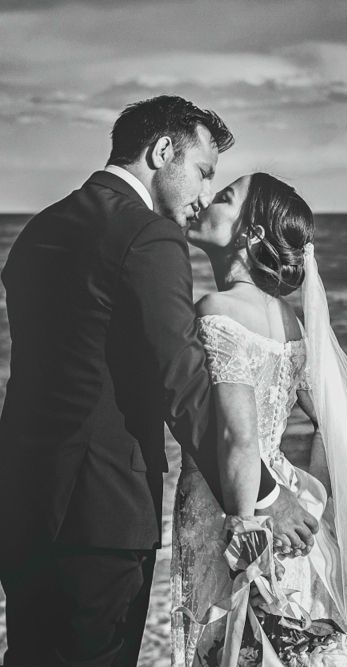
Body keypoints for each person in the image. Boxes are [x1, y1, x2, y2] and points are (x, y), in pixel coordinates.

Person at [0, 97, 317, 667]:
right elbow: (184, 387)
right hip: (103, 517)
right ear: (162, 151)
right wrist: (267, 496)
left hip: (21, 504)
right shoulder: (148, 236)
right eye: (203, 171)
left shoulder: (40, 229)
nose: (203, 194)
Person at [172, 173, 347, 666]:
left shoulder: (218, 310)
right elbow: (338, 425)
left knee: (233, 647)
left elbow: (239, 437)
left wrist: (246, 526)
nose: (206, 200)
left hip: (235, 511)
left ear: (252, 234)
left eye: (224, 198)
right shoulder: (293, 325)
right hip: (285, 499)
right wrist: (317, 498)